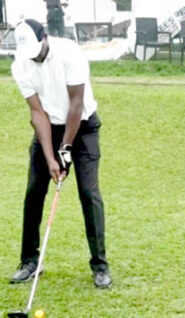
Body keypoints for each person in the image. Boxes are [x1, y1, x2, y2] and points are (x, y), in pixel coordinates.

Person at [10, 19, 111, 288]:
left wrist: (65, 150)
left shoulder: (69, 52)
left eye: (36, 50)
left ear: (45, 37)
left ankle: (100, 265)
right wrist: (50, 156)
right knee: (33, 191)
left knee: (89, 193)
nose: (34, 57)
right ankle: (30, 261)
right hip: (49, 127)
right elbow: (37, 114)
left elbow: (76, 106)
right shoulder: (19, 64)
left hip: (83, 127)